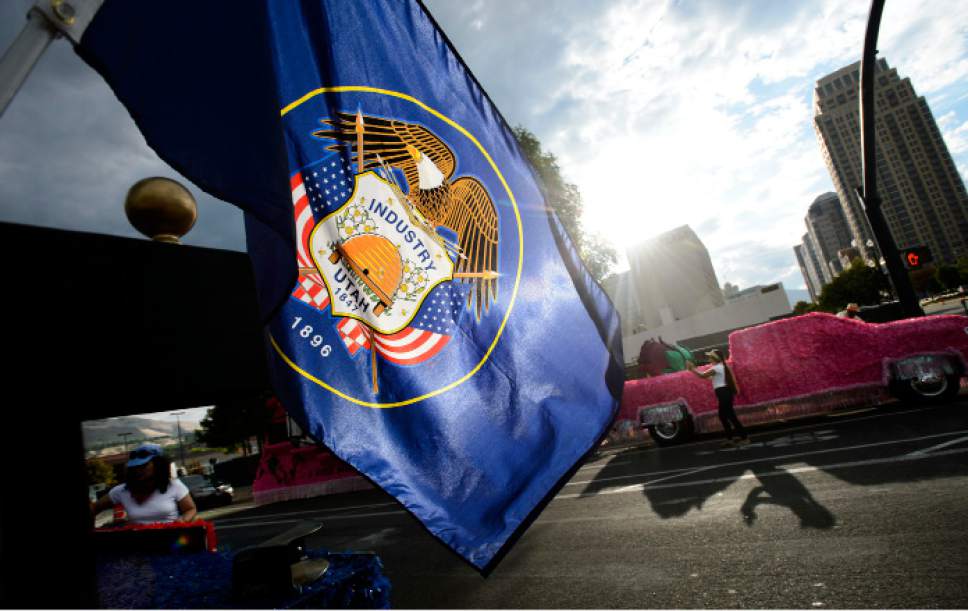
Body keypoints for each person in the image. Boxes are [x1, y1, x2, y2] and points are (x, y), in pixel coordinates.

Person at [92, 443, 197, 524]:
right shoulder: (121, 491)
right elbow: (94, 508)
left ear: (159, 464)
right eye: (135, 467)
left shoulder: (174, 486)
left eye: (144, 465)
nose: (138, 470)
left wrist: (182, 520)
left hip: (171, 543)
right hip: (139, 547)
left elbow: (190, 509)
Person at [687, 349, 750, 446]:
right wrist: (694, 370)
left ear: (715, 358)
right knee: (724, 417)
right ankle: (731, 438)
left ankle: (744, 438)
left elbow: (702, 376)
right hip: (724, 394)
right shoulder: (720, 367)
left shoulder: (717, 368)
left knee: (730, 417)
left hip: (723, 394)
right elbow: (709, 378)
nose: (708, 359)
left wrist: (692, 369)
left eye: (710, 357)